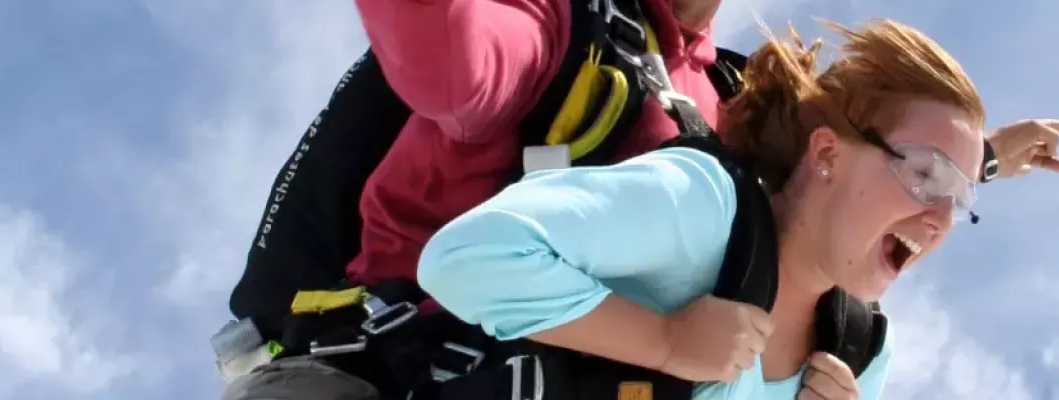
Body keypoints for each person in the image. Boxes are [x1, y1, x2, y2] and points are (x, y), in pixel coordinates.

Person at [218, 0, 1059, 398]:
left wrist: (977, 164)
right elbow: (457, 60)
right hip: (386, 365)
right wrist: (666, 341)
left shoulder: (728, 105)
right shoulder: (554, 21)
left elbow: (848, 177)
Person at [416, 19, 983, 399]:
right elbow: (467, 256)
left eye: (960, 201)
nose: (941, 221)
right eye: (925, 174)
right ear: (828, 153)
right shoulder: (705, 208)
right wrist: (665, 340)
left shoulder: (858, 356)